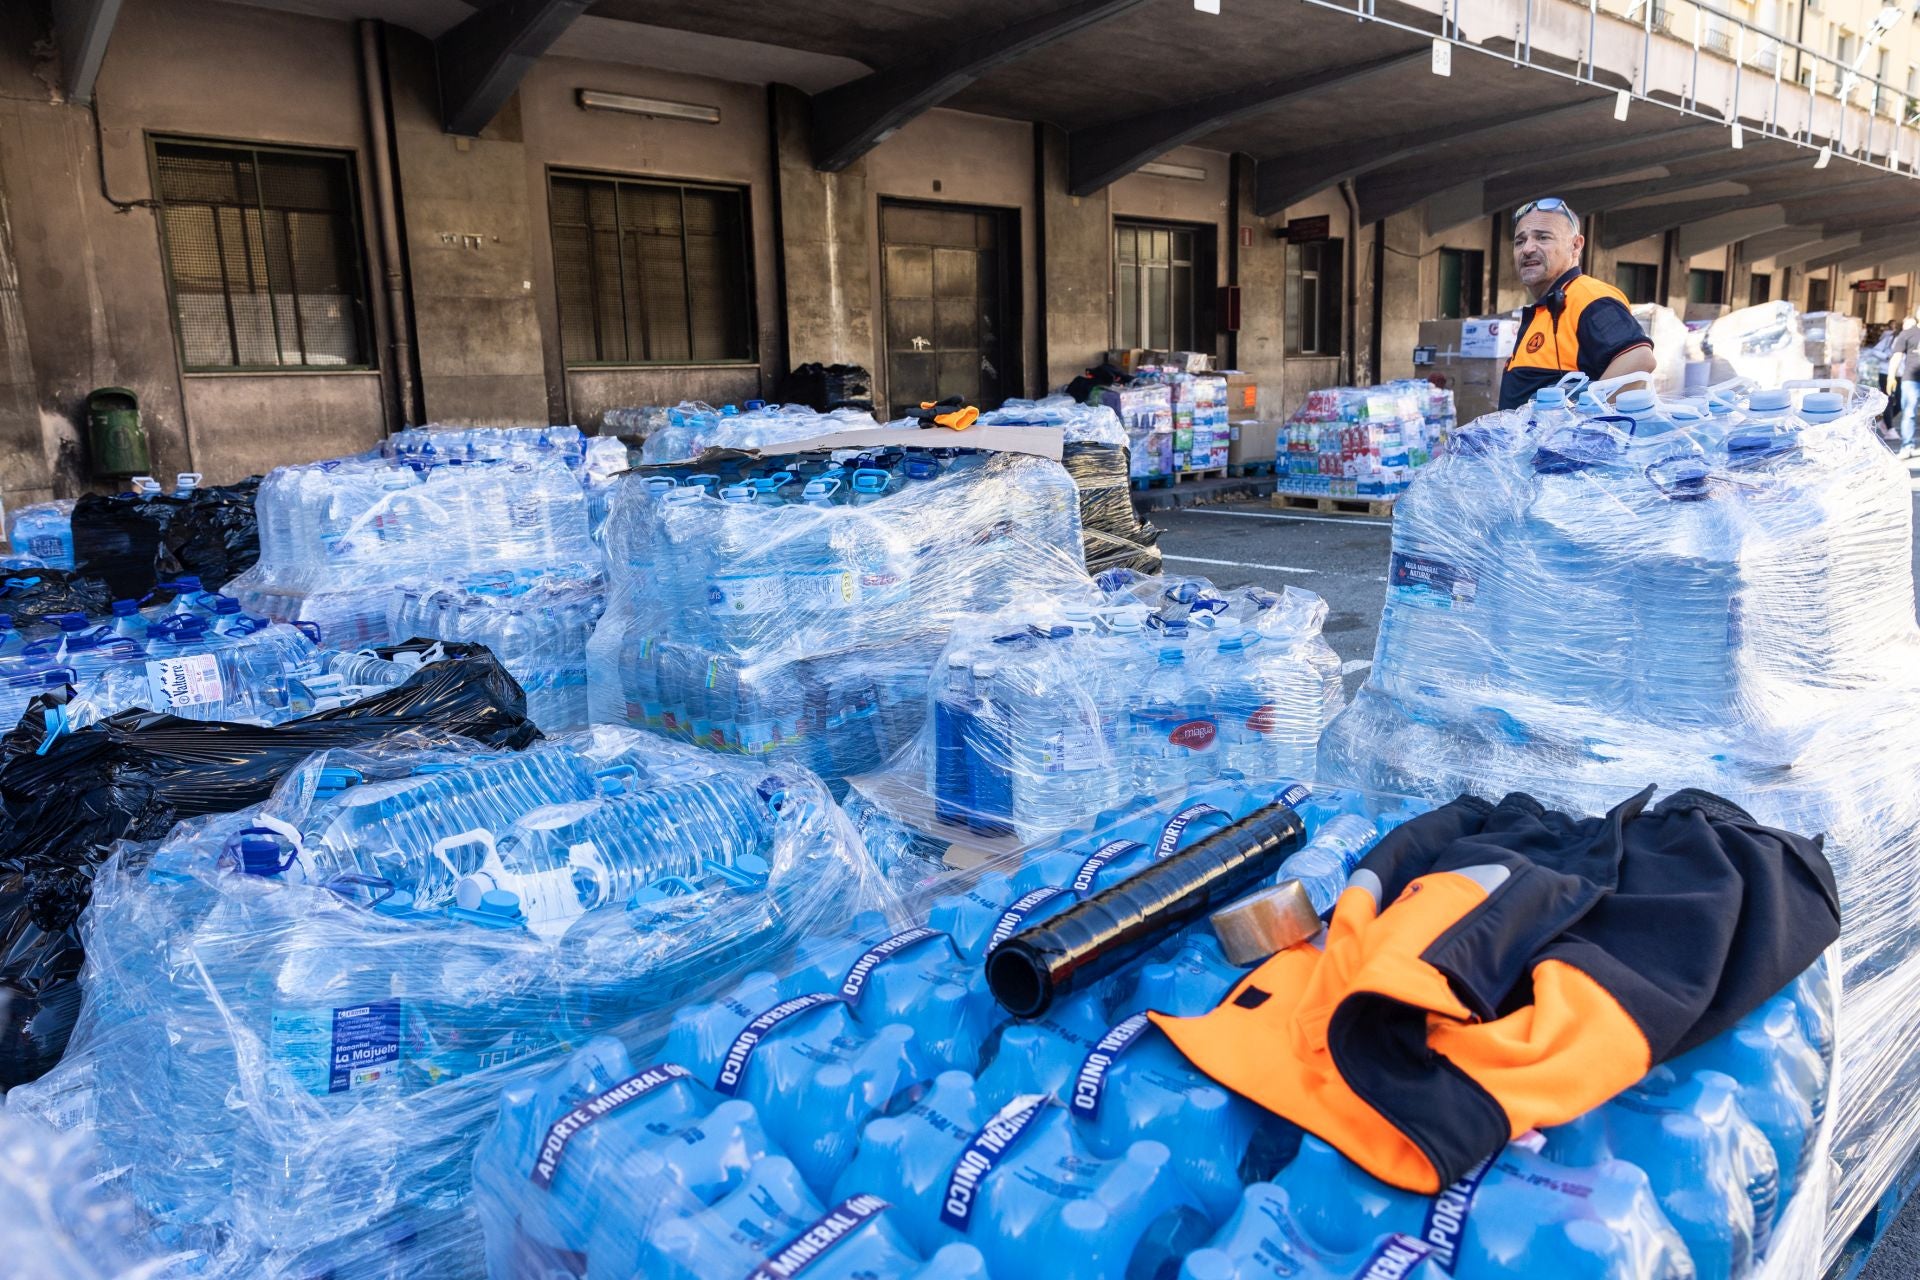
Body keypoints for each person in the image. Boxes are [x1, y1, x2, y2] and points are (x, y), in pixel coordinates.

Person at [1498, 197, 1657, 410]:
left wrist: (1577, 424)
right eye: (1520, 241)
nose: (1527, 249)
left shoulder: (1588, 297)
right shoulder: (1545, 310)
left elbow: (1639, 360)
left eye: (1543, 238)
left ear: (1575, 246)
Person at [1885, 315, 1920, 458]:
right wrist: (1890, 376)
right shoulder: (1908, 333)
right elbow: (1897, 356)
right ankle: (1907, 446)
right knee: (1909, 413)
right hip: (1912, 379)